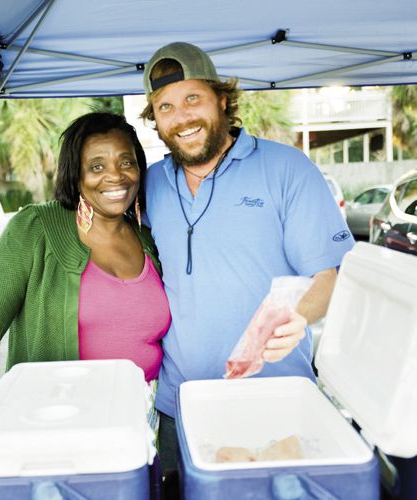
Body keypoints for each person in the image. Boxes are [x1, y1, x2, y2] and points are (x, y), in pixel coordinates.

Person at [140, 42, 354, 475]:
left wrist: (299, 318)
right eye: (165, 107)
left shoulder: (287, 168)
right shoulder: (152, 183)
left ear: (221, 99)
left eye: (192, 98)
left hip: (273, 399)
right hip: (179, 403)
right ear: (155, 119)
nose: (182, 117)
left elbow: (330, 276)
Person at [0, 112, 171, 389]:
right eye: (97, 167)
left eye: (126, 162)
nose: (115, 176)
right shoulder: (36, 228)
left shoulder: (149, 237)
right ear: (75, 174)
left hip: (143, 409)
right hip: (57, 408)